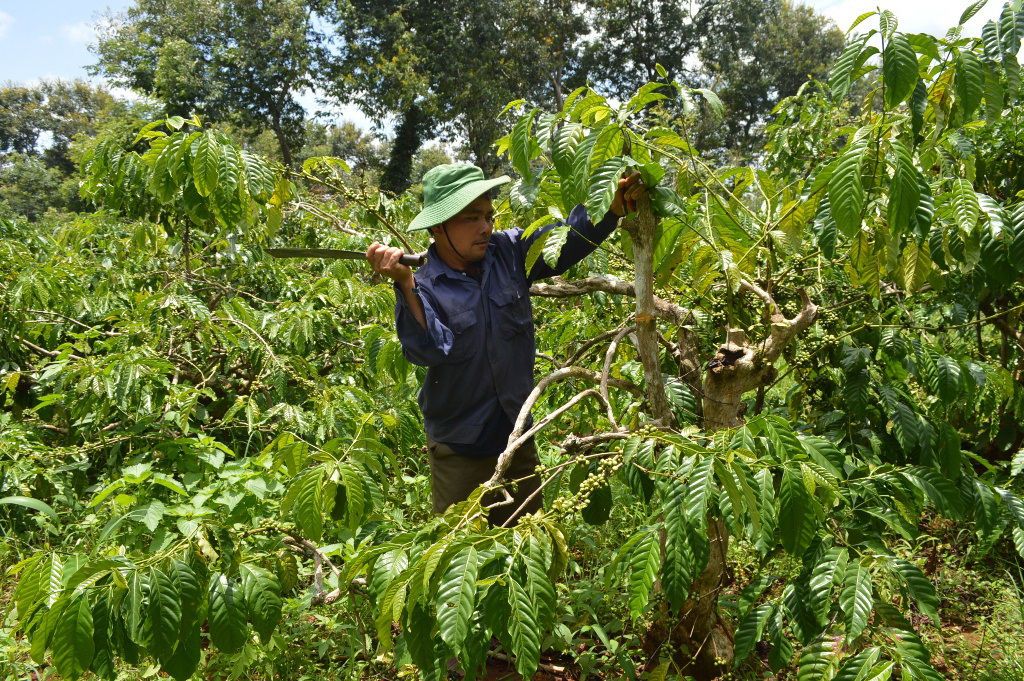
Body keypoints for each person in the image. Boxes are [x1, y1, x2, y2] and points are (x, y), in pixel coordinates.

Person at [366, 162, 645, 526]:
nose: (485, 227)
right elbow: (428, 350)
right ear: (438, 227)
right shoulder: (425, 286)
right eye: (471, 218)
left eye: (488, 216)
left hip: (517, 439)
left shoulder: (509, 251)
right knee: (464, 556)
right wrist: (405, 284)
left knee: (525, 548)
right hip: (461, 451)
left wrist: (609, 206)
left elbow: (563, 239)